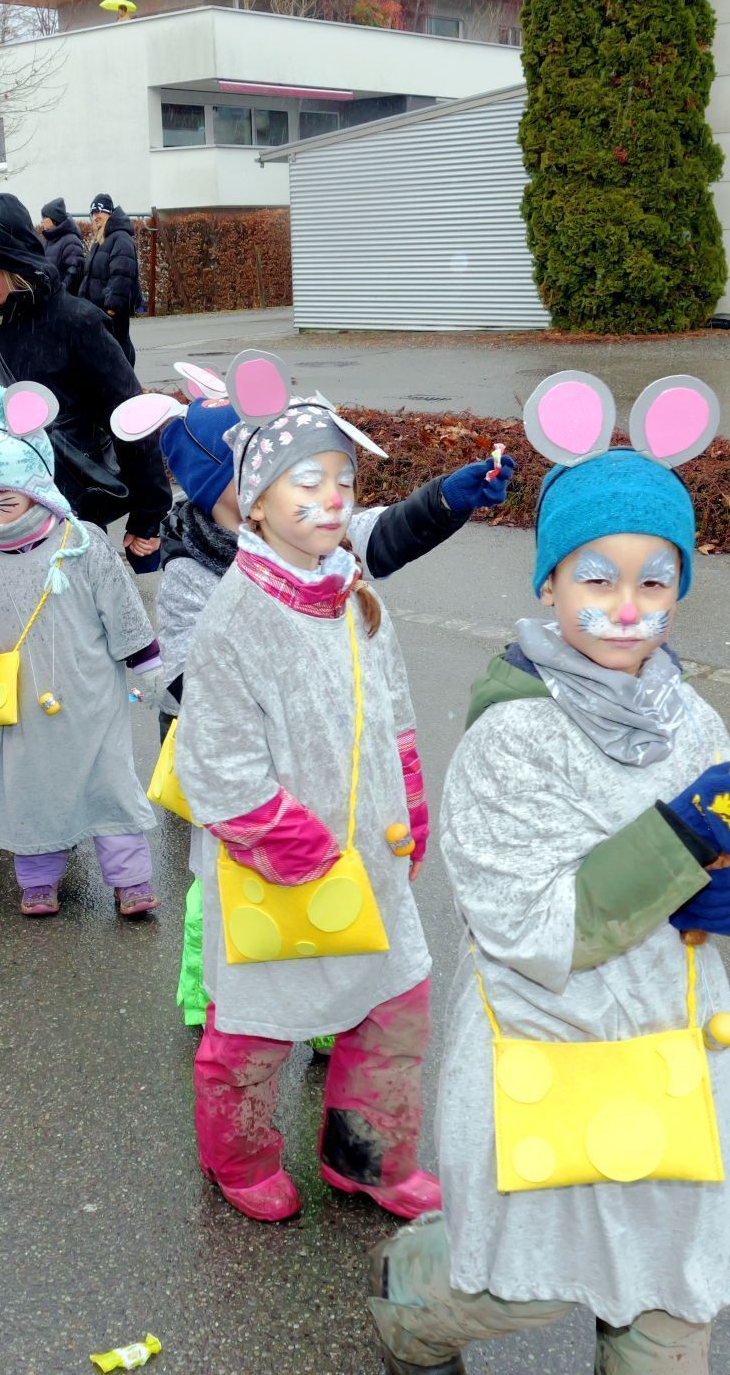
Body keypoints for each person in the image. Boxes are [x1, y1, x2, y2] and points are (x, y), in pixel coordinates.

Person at [362, 370, 730, 1375]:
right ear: (549, 585)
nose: (627, 607)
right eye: (597, 579)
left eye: (654, 580)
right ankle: (412, 1299)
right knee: (518, 1280)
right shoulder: (511, 735)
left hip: (671, 1050)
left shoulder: (688, 713)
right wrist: (677, 843)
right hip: (549, 1045)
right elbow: (532, 924)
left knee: (668, 1291)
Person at [110, 368, 518, 1030]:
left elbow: (385, 532)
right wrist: (262, 681)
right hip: (244, 773)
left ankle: (335, 1011)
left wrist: (449, 497)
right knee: (226, 896)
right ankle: (216, 1000)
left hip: (325, 759)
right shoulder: (192, 569)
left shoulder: (320, 543)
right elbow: (184, 677)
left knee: (333, 881)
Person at [173, 349, 437, 1226]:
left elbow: (395, 707)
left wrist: (408, 799)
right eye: (308, 482)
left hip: (371, 858)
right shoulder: (235, 617)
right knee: (254, 1029)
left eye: (344, 482)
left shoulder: (354, 593)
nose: (332, 499)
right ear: (255, 502)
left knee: (393, 1008)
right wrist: (297, 847)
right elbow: (216, 763)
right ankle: (240, 1154)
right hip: (281, 866)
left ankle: (368, 1156)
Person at [0, 190, 168, 819]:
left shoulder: (75, 322)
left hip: (62, 524)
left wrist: (149, 516)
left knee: (58, 650)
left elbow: (130, 419)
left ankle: (64, 760)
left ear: (12, 255)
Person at [0, 378, 162, 918]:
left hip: (91, 694)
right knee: (31, 786)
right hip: (21, 697)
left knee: (109, 783)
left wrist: (147, 664)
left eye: (5, 499)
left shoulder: (79, 543)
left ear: (37, 491)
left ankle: (131, 880)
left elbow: (121, 607)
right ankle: (38, 879)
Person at [79, 193, 141, 363]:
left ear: (109, 212)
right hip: (97, 312)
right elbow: (90, 275)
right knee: (103, 357)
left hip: (110, 314)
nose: (95, 216)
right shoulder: (101, 240)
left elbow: (122, 272)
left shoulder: (120, 238)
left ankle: (127, 379)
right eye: (93, 213)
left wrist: (112, 306)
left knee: (117, 354)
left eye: (99, 211)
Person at [37, 198, 85, 299]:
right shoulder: (48, 240)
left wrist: (60, 295)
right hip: (48, 299)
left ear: (54, 219)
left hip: (62, 301)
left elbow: (74, 273)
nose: (42, 221)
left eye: (44, 217)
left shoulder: (71, 240)